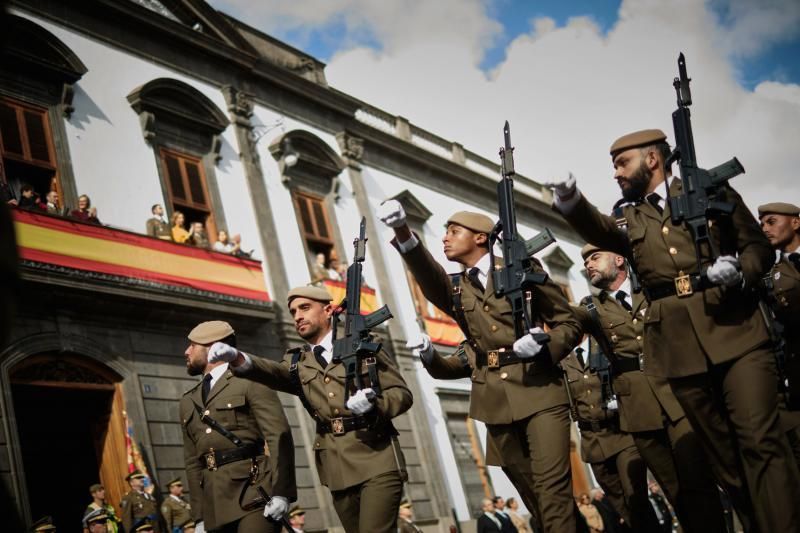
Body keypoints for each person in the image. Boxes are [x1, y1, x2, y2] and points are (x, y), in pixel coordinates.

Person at [549, 128, 800, 531]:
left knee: (759, 440)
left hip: (737, 331)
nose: (615, 173)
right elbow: (602, 233)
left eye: (621, 163)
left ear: (652, 159)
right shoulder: (627, 216)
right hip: (680, 350)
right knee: (725, 460)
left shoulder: (709, 191)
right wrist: (570, 201)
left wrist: (740, 271)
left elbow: (756, 245)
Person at [379, 202, 582, 532]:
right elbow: (429, 277)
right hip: (496, 401)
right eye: (445, 231)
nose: (445, 238)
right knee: (534, 497)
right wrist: (403, 231)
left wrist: (545, 347)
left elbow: (568, 323)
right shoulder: (458, 288)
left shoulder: (521, 268)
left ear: (480, 238)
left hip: (540, 390)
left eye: (454, 231)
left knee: (552, 492)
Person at [210, 285, 412, 533]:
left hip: (377, 457)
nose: (297, 316)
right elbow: (274, 372)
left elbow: (402, 394)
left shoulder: (365, 345)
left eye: (305, 308)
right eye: (293, 311)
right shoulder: (297, 362)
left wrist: (374, 405)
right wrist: (238, 358)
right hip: (337, 467)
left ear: (328, 310)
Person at [573, 244, 727, 532]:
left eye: (595, 257)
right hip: (639, 408)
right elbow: (565, 322)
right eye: (585, 261)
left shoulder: (651, 287)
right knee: (673, 488)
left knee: (699, 478)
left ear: (619, 259)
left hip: (677, 393)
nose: (588, 265)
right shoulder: (590, 307)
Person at [179, 320, 296, 533]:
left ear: (212, 346)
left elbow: (278, 434)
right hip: (214, 501)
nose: (186, 352)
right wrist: (199, 518)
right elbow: (193, 462)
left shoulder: (250, 380)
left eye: (192, 345)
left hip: (253, 490)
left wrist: (282, 492)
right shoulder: (189, 400)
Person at [562, 345, 659, 532]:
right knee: (620, 503)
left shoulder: (602, 342)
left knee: (635, 496)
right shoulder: (562, 359)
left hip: (620, 433)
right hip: (593, 443)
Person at [759, 202, 800, 464]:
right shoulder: (771, 277)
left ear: (795, 223)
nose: (765, 229)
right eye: (762, 224)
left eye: (771, 221)